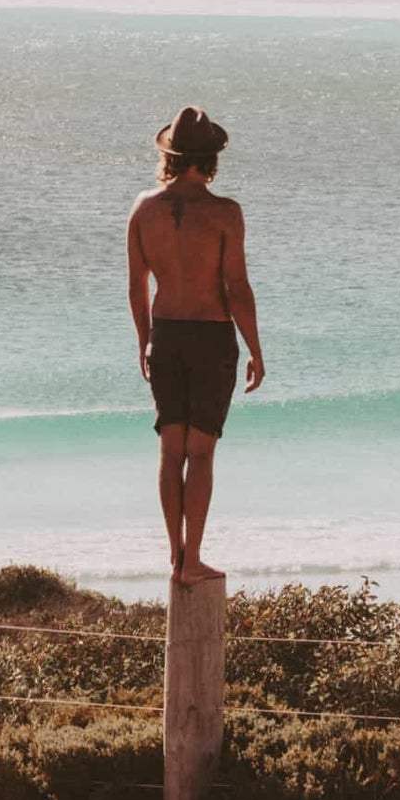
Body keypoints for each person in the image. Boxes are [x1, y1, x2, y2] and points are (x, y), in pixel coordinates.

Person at [127, 106, 265, 586]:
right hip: (210, 337)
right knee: (201, 454)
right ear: (210, 159)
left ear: (169, 155)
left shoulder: (144, 208)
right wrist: (256, 349)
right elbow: (236, 287)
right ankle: (193, 561)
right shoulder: (225, 213)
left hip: (165, 334)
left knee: (171, 451)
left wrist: (144, 342)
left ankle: (175, 555)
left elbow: (136, 285)